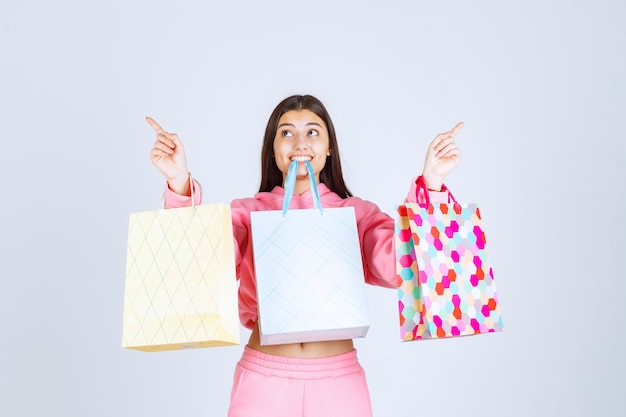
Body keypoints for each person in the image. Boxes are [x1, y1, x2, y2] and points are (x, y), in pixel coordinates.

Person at [147, 94, 462, 416]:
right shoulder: (246, 212)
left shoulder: (357, 213)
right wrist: (178, 183)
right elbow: (197, 265)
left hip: (339, 383)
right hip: (262, 380)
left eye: (312, 132)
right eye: (286, 133)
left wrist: (433, 185)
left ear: (329, 148)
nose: (300, 142)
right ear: (273, 149)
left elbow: (400, 266)